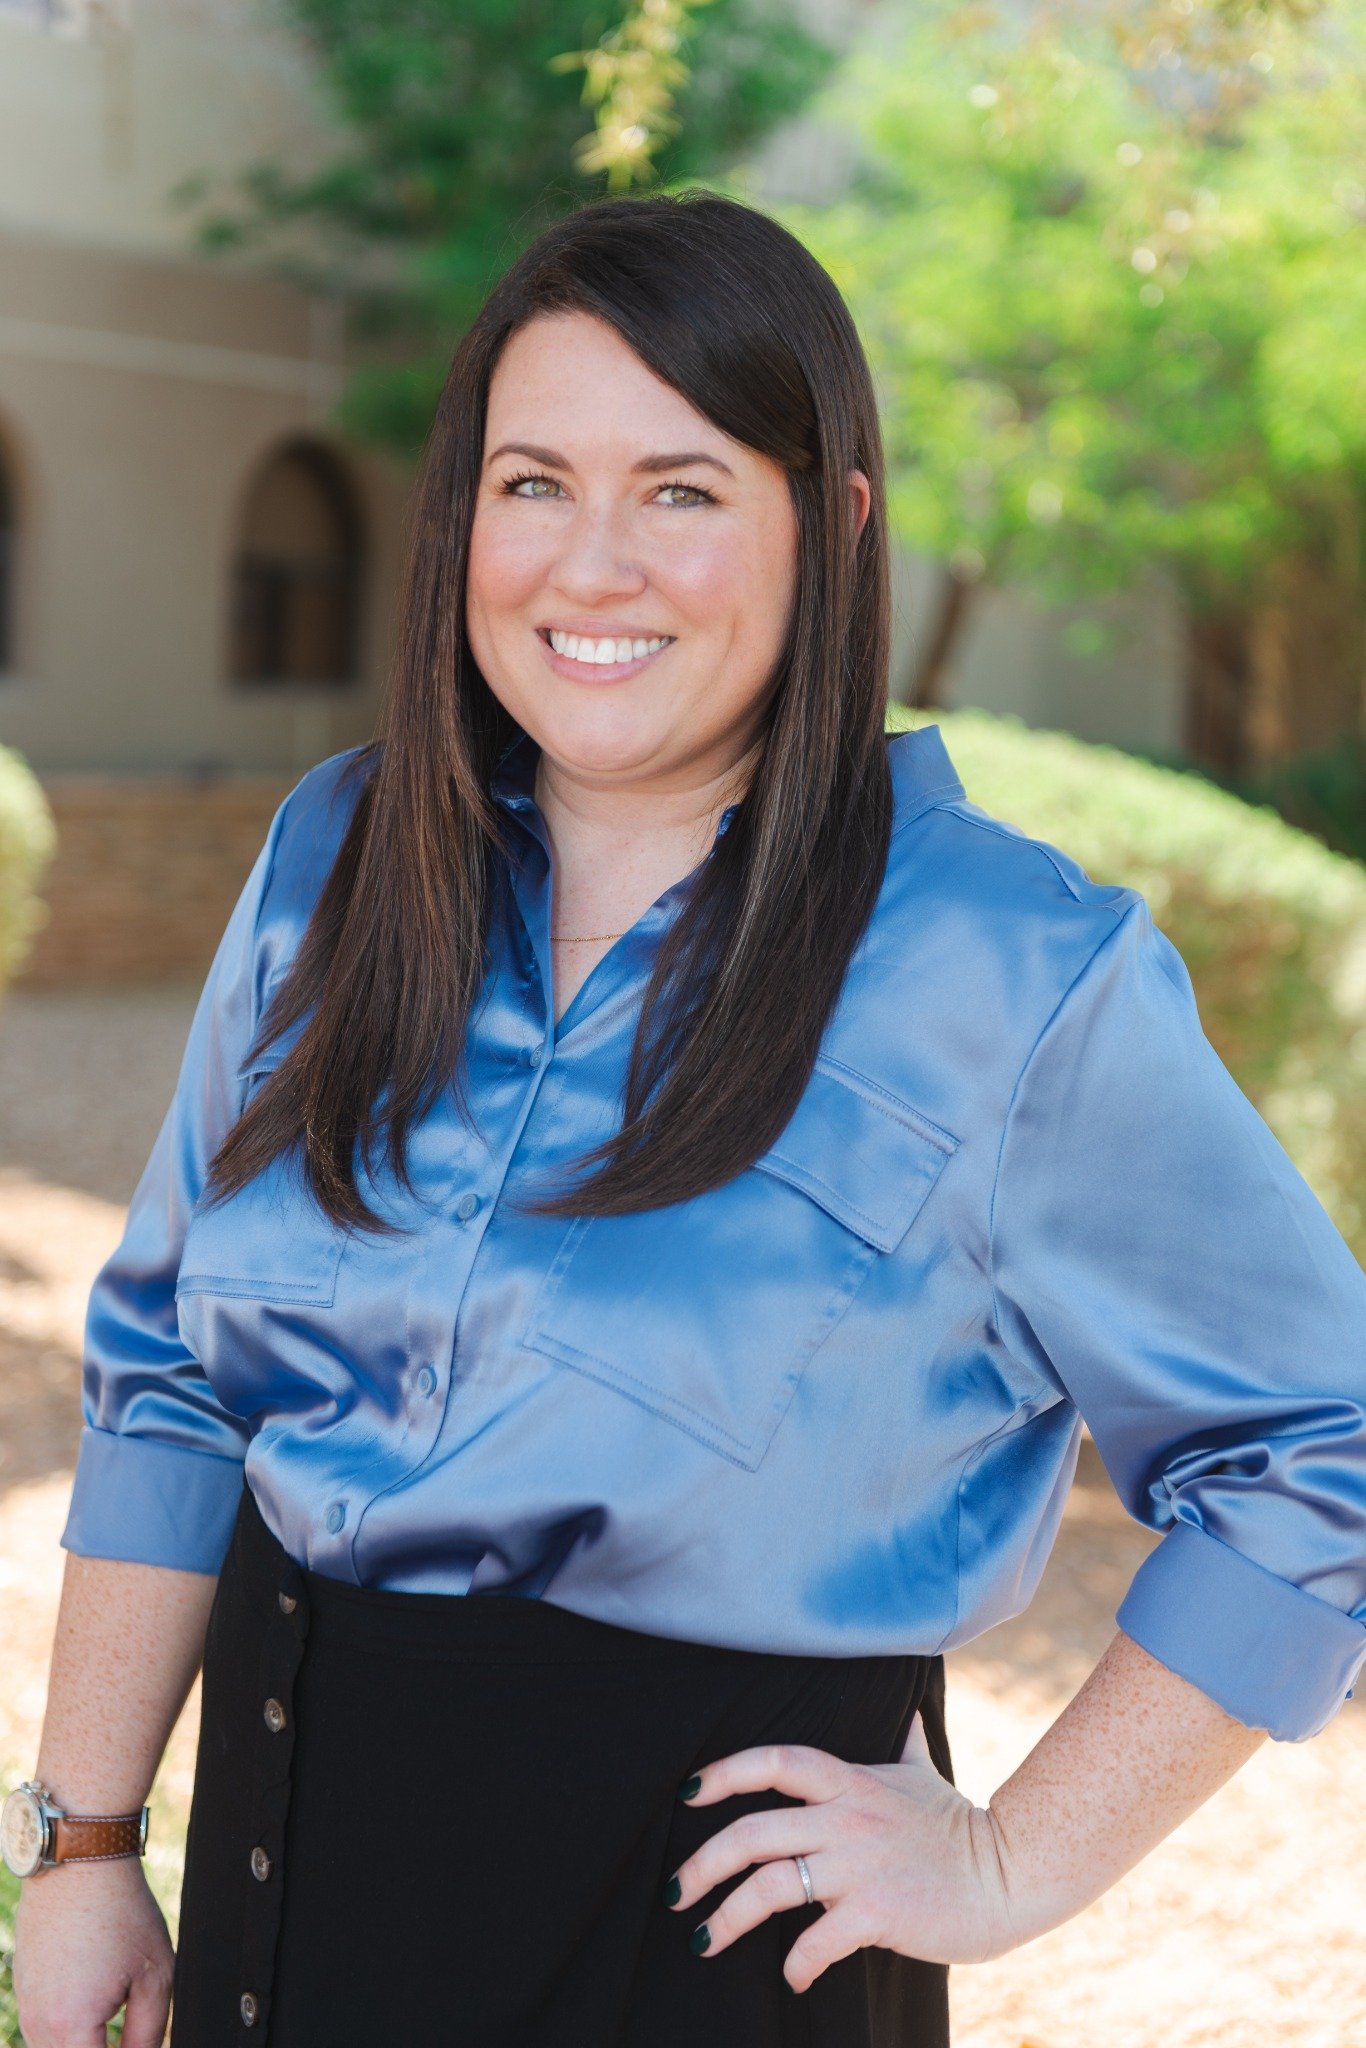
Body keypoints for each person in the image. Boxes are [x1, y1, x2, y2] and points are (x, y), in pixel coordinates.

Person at [7, 189, 1365, 2048]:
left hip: (698, 1963)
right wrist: (84, 1847)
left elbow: (1315, 1452)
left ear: (837, 527)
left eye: (685, 489)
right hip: (278, 1902)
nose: (591, 566)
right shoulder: (337, 855)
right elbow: (171, 1367)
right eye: (533, 483)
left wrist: (1006, 1865)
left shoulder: (1012, 967)